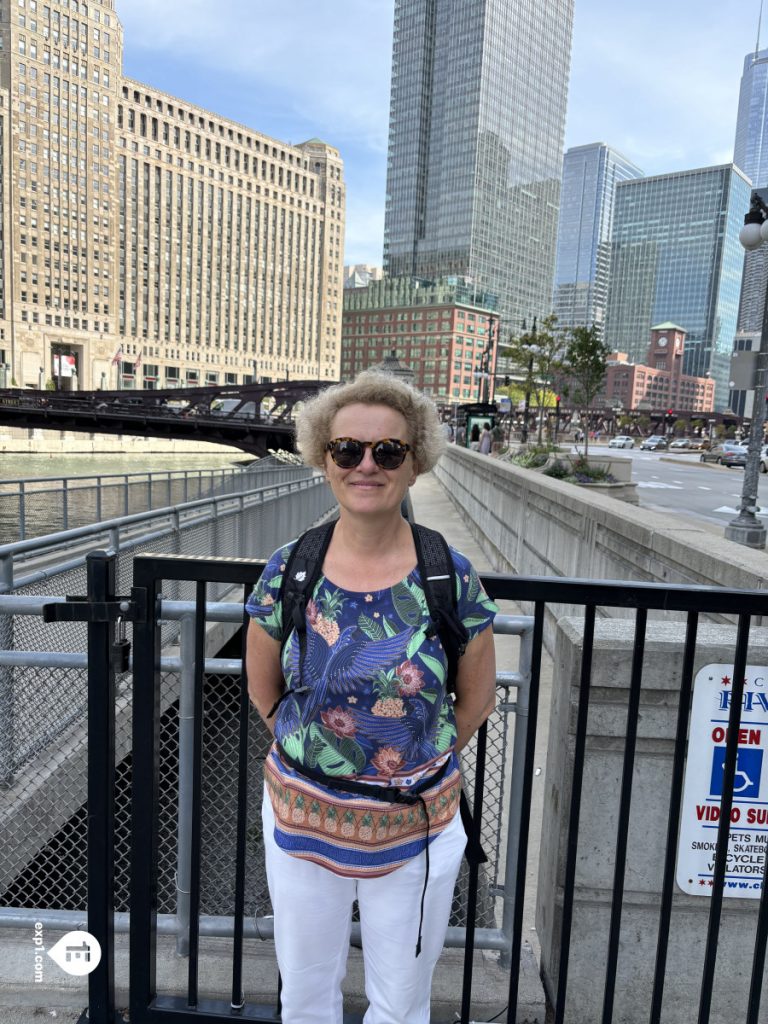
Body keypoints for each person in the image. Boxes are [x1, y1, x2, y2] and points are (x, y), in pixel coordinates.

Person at [246, 370, 498, 1024]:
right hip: (304, 821)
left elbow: (476, 697)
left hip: (416, 828)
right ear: (322, 459)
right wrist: (308, 751)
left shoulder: (449, 574)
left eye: (388, 452)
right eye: (346, 449)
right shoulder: (289, 568)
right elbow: (262, 683)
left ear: (416, 464)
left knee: (402, 1004)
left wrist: (415, 764)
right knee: (304, 997)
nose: (366, 464)